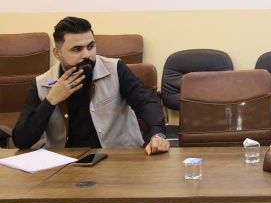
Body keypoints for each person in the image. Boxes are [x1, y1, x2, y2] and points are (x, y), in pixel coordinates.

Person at [12, 17, 169, 155]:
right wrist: (50, 100)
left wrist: (157, 135)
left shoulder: (115, 69)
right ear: (57, 53)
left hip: (118, 159)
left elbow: (146, 103)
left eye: (90, 46)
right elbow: (22, 140)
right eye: (77, 49)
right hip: (65, 164)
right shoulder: (41, 84)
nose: (87, 54)